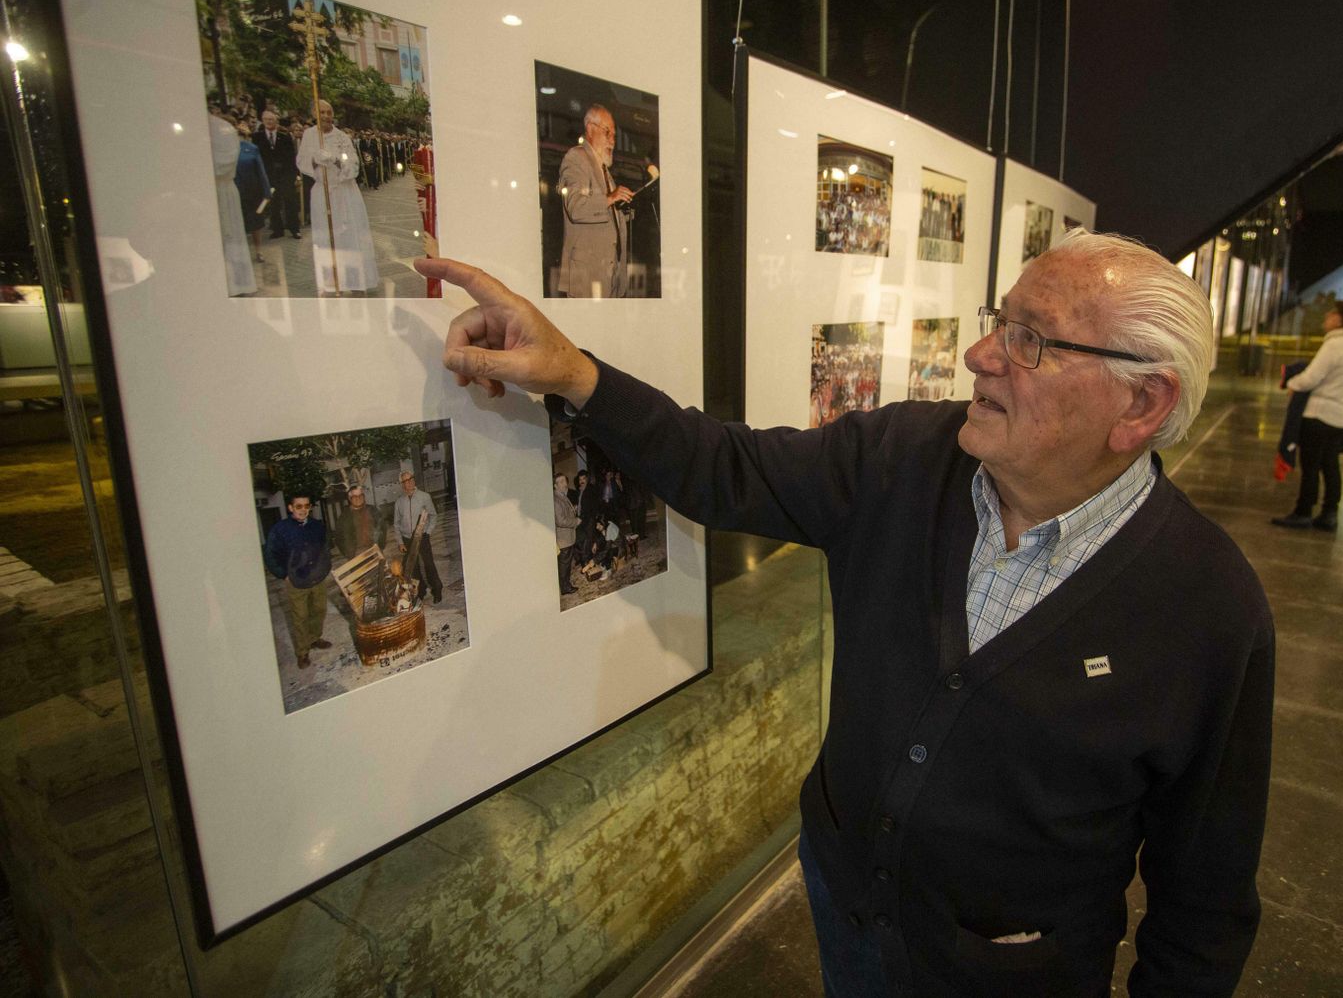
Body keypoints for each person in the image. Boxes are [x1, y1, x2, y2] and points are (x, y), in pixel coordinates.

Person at [424, 225, 1274, 997]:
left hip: (1009, 972)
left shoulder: (1207, 607)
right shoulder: (904, 458)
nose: (981, 353)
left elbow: (1204, 897)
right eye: (998, 319)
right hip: (846, 903)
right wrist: (576, 374)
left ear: (1142, 404)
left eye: (1029, 339)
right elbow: (724, 468)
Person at [1271, 301, 1343, 531]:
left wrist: (1292, 383)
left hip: (1319, 415)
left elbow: (1311, 377)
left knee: (1311, 466)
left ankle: (1303, 511)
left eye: (1333, 313)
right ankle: (1329, 512)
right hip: (1342, 416)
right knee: (1331, 464)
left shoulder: (1334, 345)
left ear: (1342, 319)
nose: (1327, 315)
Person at [295, 99, 381, 295]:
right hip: (322, 193)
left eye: (329, 112)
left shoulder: (342, 137)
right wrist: (315, 161)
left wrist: (335, 160)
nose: (326, 116)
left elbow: (353, 164)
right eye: (322, 112)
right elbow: (301, 161)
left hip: (344, 193)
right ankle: (332, 281)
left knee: (350, 237)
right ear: (315, 114)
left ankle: (356, 281)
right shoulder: (309, 135)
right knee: (326, 237)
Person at [556, 104, 632, 298]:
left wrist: (623, 210)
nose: (612, 142)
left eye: (614, 135)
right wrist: (611, 197)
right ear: (590, 129)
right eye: (608, 133)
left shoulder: (605, 172)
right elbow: (575, 207)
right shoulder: (577, 158)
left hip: (610, 278)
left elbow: (605, 213)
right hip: (587, 280)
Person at [263, 492, 333, 670]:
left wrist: (324, 568)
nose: (303, 510)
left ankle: (315, 638)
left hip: (317, 578)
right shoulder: (280, 530)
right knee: (300, 616)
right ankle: (302, 652)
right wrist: (283, 574)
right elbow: (270, 555)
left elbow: (326, 546)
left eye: (306, 506)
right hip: (296, 581)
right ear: (291, 508)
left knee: (319, 610)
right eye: (299, 506)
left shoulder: (317, 526)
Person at [208, 106, 254, 295]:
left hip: (222, 189)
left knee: (229, 237)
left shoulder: (223, 130)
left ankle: (237, 283)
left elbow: (223, 164)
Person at [393, 470, 444, 603]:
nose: (408, 482)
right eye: (405, 481)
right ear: (402, 485)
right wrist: (400, 542)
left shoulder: (424, 497)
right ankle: (420, 591)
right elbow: (396, 524)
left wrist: (427, 532)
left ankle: (437, 590)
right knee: (413, 567)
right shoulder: (399, 502)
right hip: (407, 539)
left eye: (410, 479)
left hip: (422, 536)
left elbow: (433, 515)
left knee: (428, 564)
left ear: (414, 480)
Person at [253, 109, 301, 240]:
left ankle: (294, 229)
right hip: (268, 176)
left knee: (290, 201)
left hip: (285, 175)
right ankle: (277, 230)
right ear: (263, 121)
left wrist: (294, 175)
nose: (269, 122)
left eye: (271, 119)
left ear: (276, 121)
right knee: (274, 203)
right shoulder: (257, 137)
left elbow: (292, 157)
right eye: (266, 119)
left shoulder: (284, 137)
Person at [233, 120, 270, 266]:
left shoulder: (252, 148)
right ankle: (241, 254)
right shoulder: (228, 150)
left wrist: (266, 190)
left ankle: (258, 251)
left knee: (255, 223)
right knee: (239, 223)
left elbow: (261, 171)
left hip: (252, 190)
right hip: (236, 190)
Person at [332, 484, 389, 559]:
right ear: (350, 498)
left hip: (375, 551)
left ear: (364, 496)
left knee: (380, 570)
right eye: (355, 496)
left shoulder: (373, 510)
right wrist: (348, 553)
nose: (358, 498)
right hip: (355, 555)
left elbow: (382, 528)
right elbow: (338, 537)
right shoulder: (344, 516)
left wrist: (380, 546)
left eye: (360, 495)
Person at [553, 474, 579, 596]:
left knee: (566, 564)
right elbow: (560, 521)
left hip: (568, 537)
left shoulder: (562, 495)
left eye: (565, 480)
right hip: (564, 539)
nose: (565, 483)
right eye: (561, 481)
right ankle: (565, 588)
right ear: (555, 485)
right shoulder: (556, 500)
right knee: (564, 565)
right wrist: (575, 521)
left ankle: (566, 584)